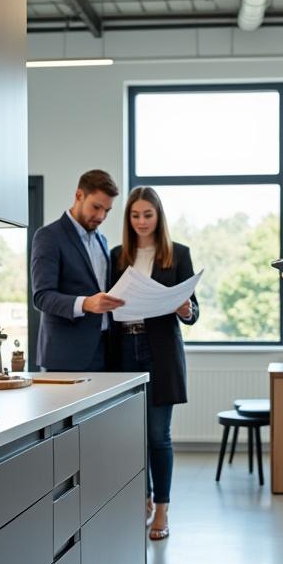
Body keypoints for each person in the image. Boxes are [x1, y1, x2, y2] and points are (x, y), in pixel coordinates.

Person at [108, 187, 198, 540]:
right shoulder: (117, 255)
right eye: (135, 215)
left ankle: (162, 509)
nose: (141, 221)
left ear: (158, 217)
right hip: (123, 350)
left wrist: (187, 309)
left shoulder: (177, 255)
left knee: (158, 436)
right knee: (131, 436)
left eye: (147, 214)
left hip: (158, 350)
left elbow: (193, 308)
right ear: (128, 219)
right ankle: (141, 500)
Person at [30, 169, 125, 372]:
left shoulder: (102, 240)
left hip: (105, 352)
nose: (101, 216)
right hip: (66, 357)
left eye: (107, 211)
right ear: (79, 195)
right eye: (96, 207)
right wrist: (86, 304)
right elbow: (42, 297)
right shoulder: (48, 236)